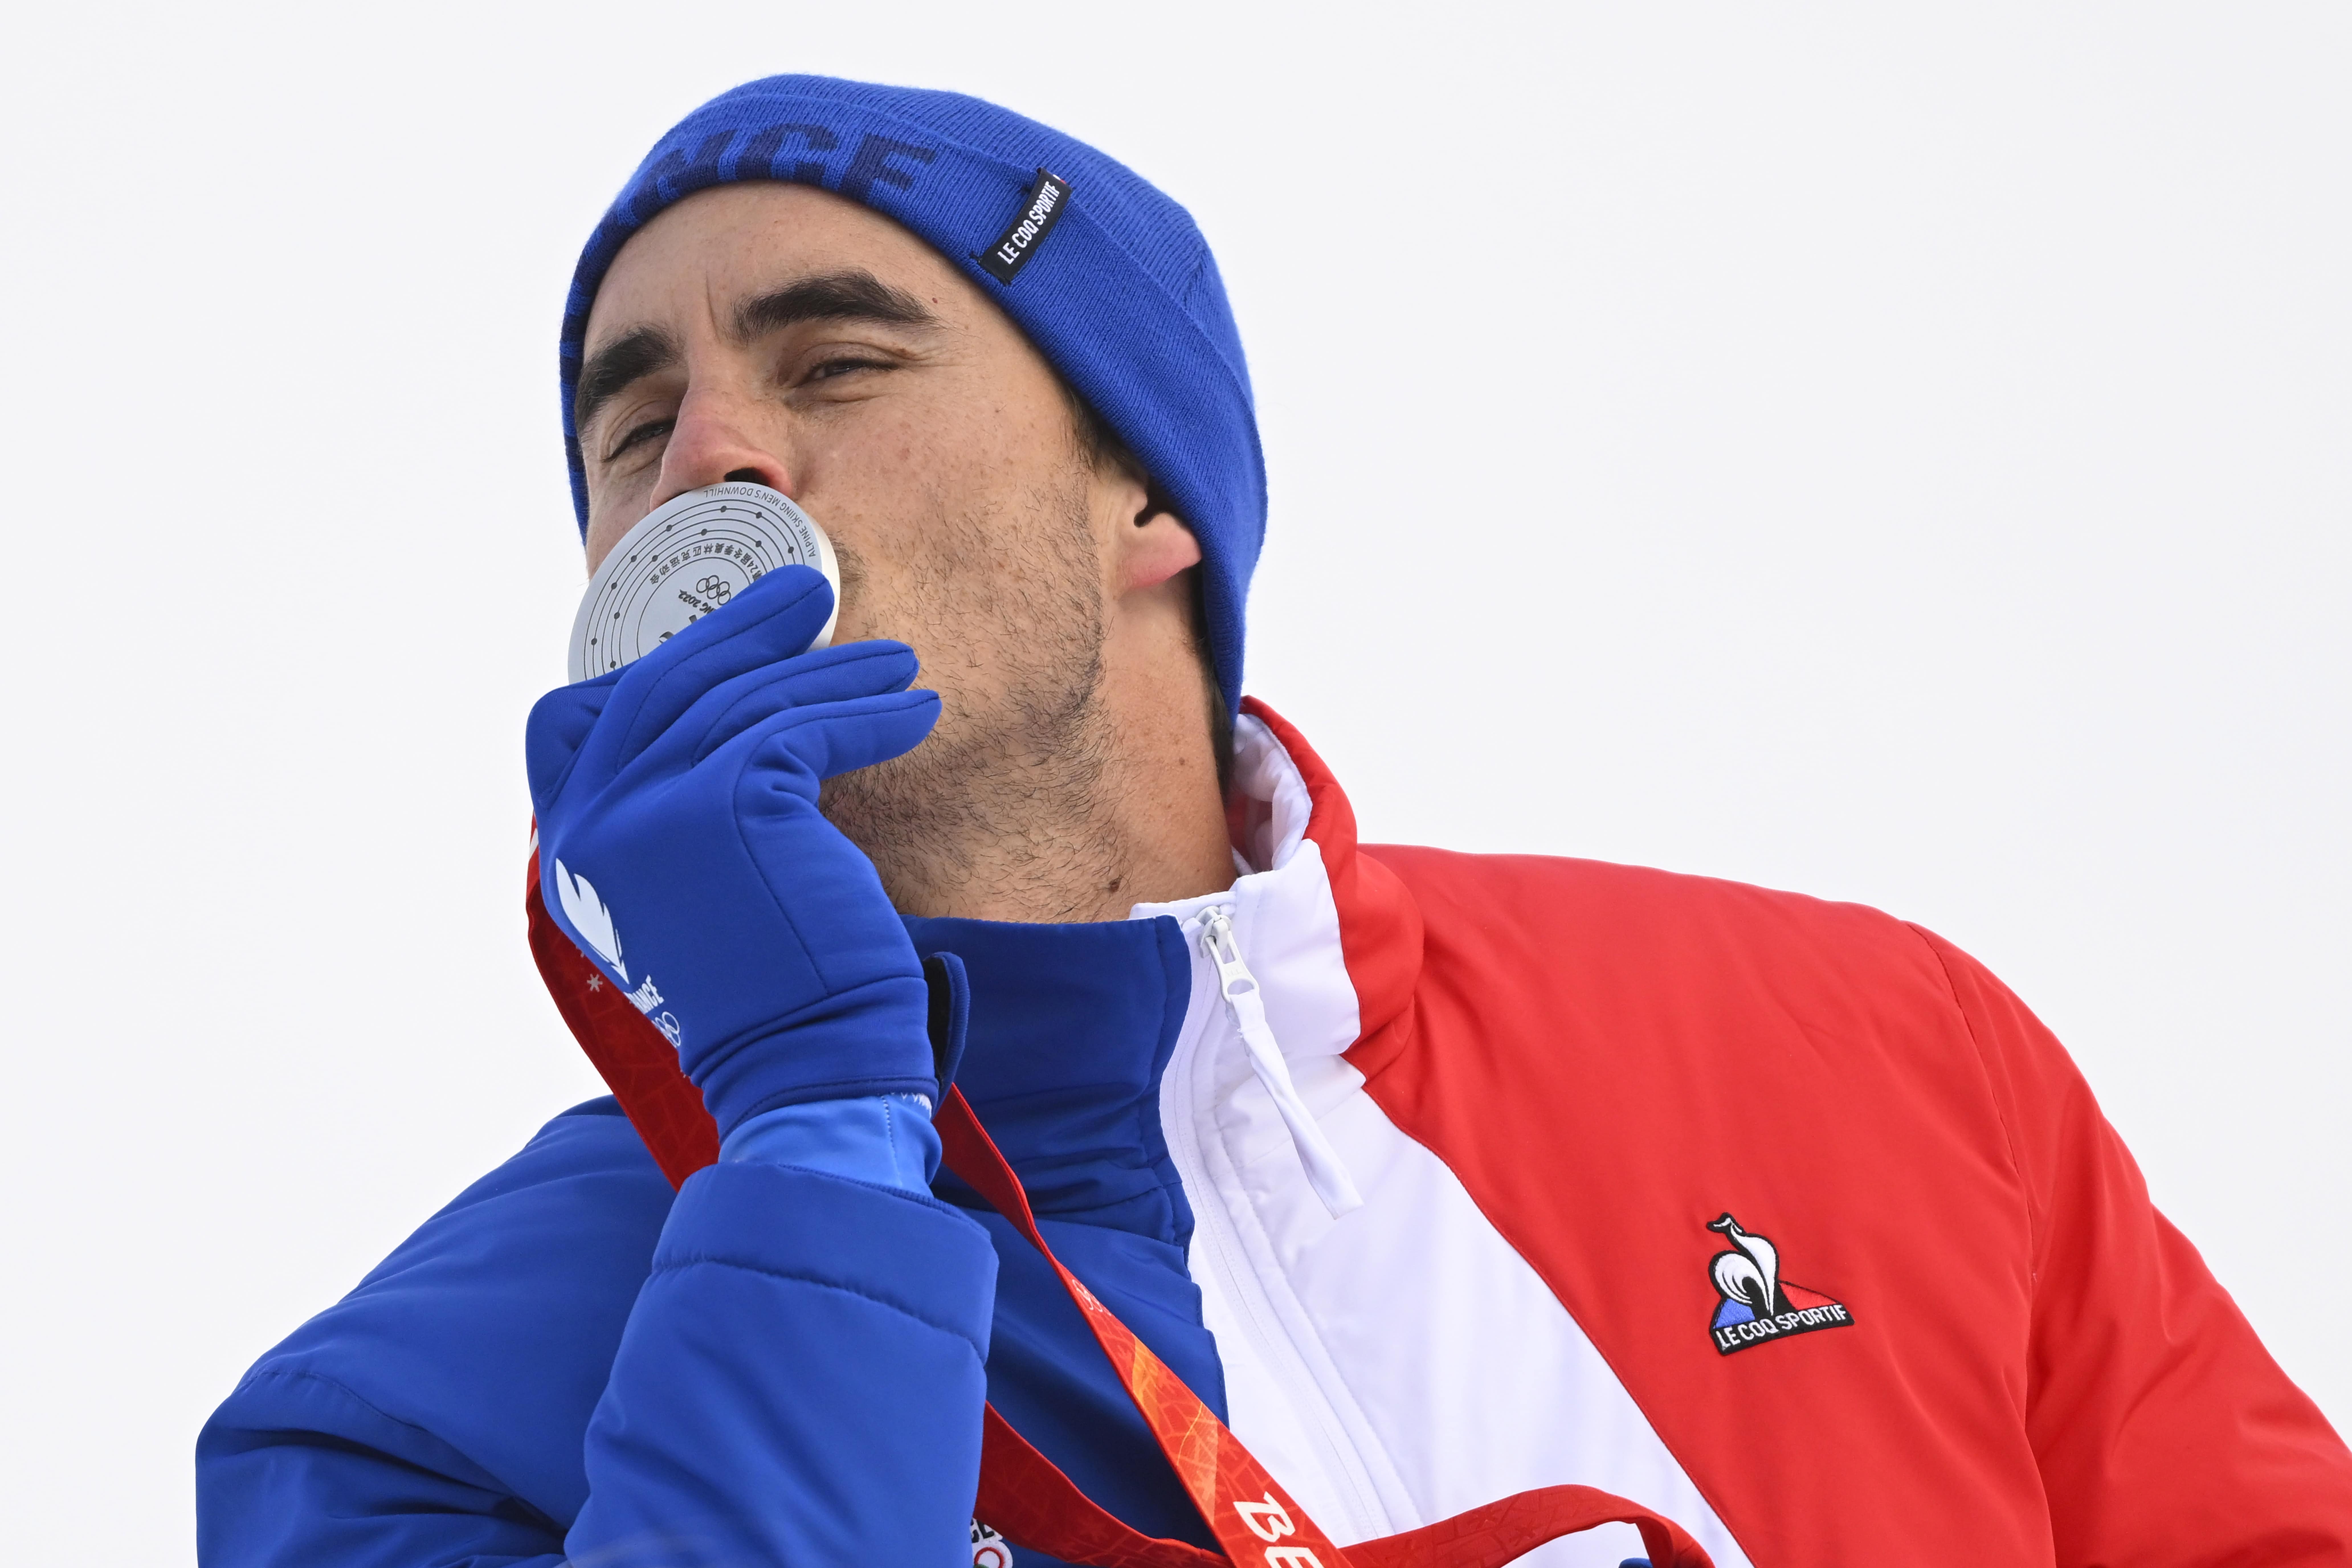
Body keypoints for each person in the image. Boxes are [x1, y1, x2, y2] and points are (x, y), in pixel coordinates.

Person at [195, 75, 2352, 1567]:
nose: (710, 467)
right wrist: (821, 1134)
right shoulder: (397, 1410)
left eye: (836, 365)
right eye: (631, 420)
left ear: (1149, 496)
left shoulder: (1869, 1045)